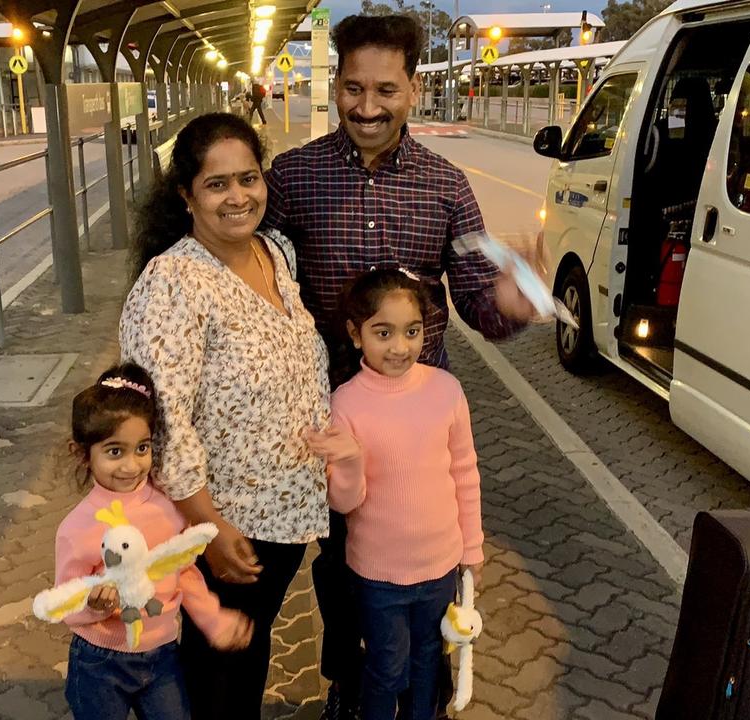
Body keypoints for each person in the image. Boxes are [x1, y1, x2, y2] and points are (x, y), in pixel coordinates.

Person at [260, 14, 538, 719]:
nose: (367, 106)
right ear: (337, 87)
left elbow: (479, 302)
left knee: (423, 572)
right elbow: (256, 279)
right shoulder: (294, 178)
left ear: (413, 89)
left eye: (385, 89)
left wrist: (511, 302)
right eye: (353, 88)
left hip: (419, 428)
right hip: (334, 420)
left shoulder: (446, 185)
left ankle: (423, 685)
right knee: (339, 565)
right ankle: (347, 684)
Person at [119, 112, 331, 720]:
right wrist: (206, 528)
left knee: (246, 648)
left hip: (285, 510)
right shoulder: (174, 283)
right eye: (217, 185)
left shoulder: (274, 251)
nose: (239, 196)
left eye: (249, 178)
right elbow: (160, 420)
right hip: (226, 520)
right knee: (217, 666)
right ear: (186, 195)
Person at [307, 268, 483, 720]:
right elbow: (344, 503)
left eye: (412, 331)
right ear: (355, 333)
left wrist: (472, 548)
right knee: (387, 667)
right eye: (383, 333)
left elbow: (465, 472)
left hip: (441, 566)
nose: (400, 346)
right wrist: (348, 461)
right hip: (377, 575)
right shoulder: (345, 402)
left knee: (430, 663)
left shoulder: (446, 390)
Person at [54, 362, 254, 720]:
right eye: (115, 451)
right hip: (100, 661)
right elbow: (64, 600)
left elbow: (183, 571)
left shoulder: (166, 509)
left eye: (142, 448)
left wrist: (212, 619)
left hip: (163, 656)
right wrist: (93, 604)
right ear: (83, 452)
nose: (131, 465)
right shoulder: (76, 527)